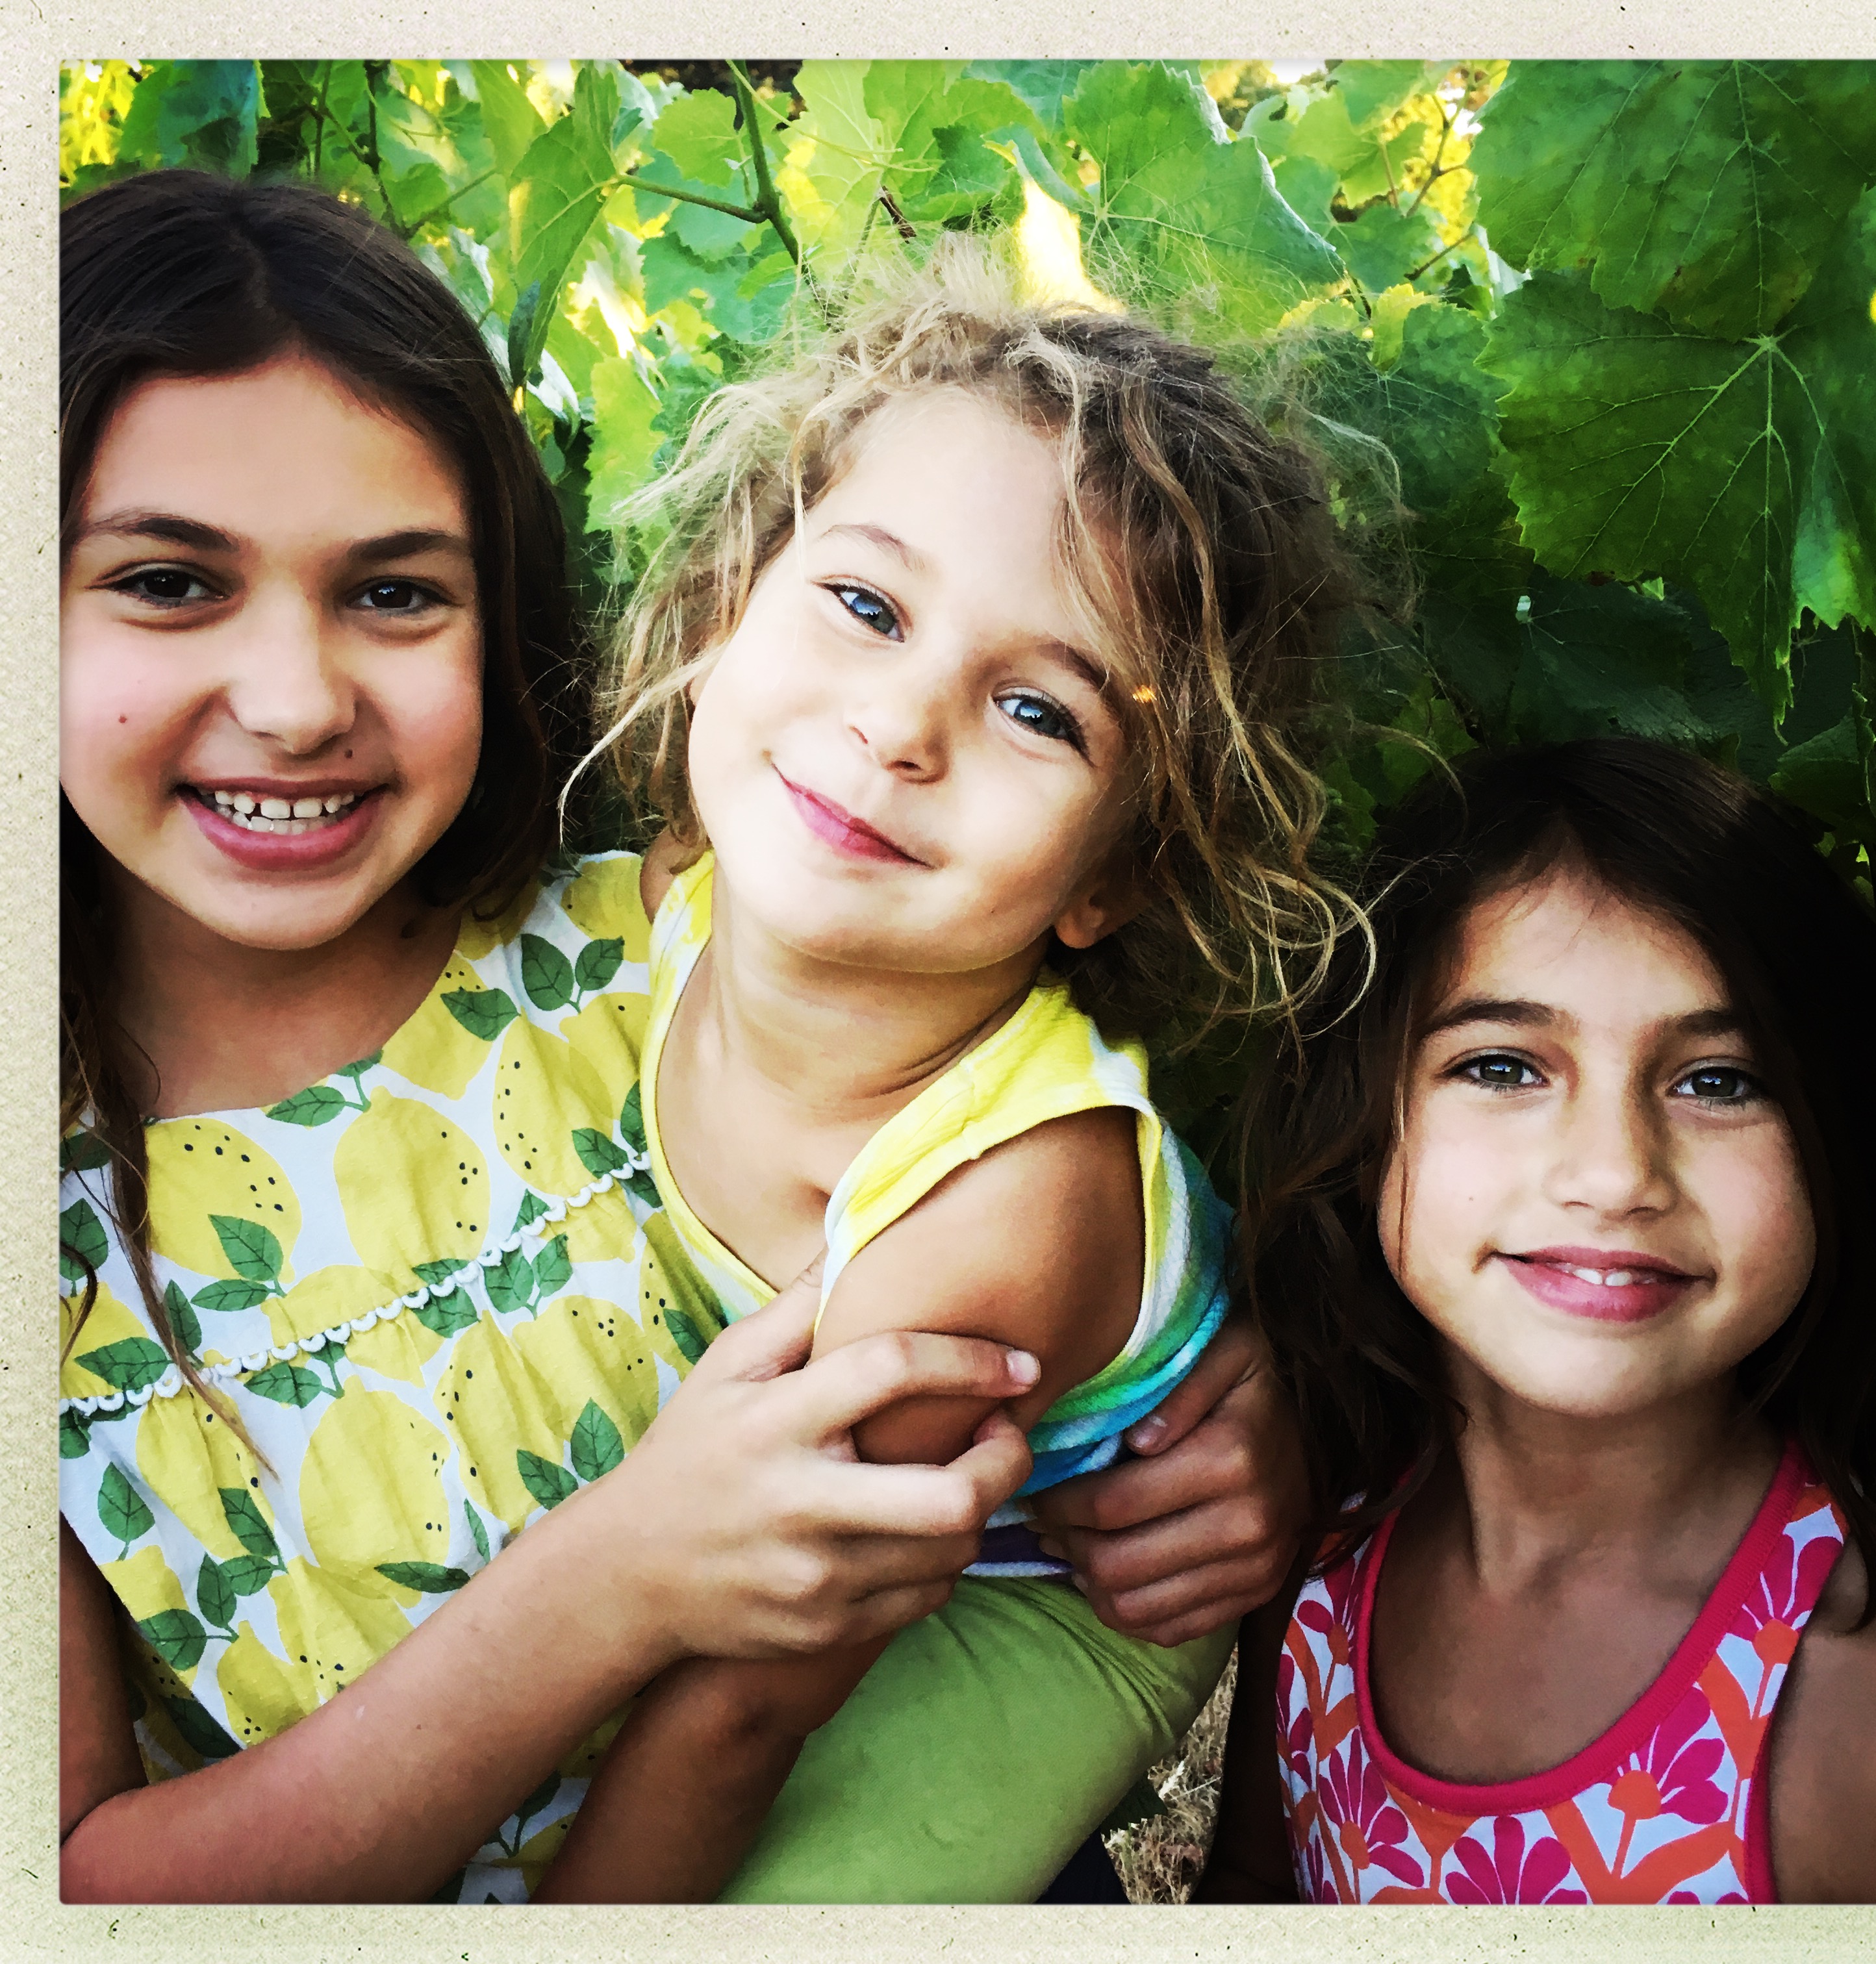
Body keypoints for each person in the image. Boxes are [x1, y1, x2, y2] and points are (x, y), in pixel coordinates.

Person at [56, 170, 1310, 1904]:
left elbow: (767, 1689)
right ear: (733, 613)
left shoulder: (627, 942)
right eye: (169, 579)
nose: (291, 698)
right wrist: (615, 1578)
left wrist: (1249, 1402)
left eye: (398, 592)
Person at [535, 241, 1371, 1902]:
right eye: (863, 604)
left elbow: (744, 1707)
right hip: (845, 1515)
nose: (905, 721)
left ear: (1113, 880)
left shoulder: (997, 1217)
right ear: (728, 609)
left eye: (1041, 713)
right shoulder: (668, 901)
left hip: (1055, 1594)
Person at [1198, 739, 1876, 1906]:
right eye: (1505, 1066)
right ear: (1365, 1117)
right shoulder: (1322, 1554)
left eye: (1719, 1080)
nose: (1615, 1174)